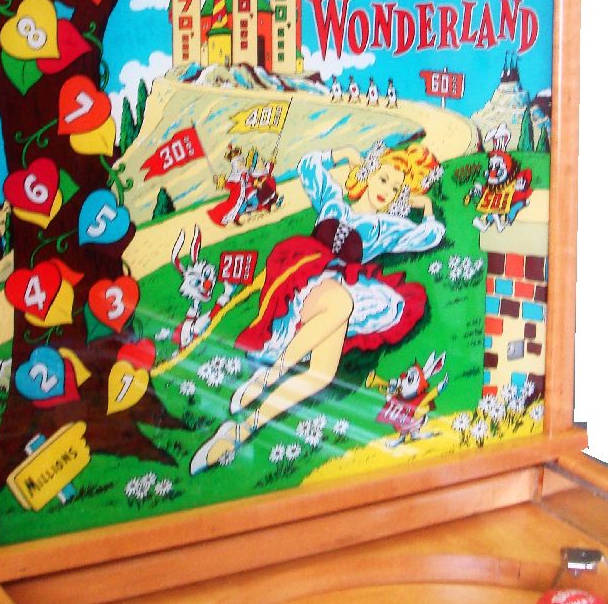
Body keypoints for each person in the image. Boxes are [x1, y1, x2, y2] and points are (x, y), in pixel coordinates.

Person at [190, 142, 445, 473]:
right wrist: (344, 154)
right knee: (341, 302)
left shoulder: (385, 228)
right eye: (383, 179)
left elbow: (431, 235)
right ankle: (269, 375)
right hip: (303, 281)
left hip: (340, 293)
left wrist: (425, 206)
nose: (387, 191)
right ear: (368, 174)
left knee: (321, 374)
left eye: (397, 188)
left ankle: (239, 431)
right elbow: (308, 165)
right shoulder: (333, 201)